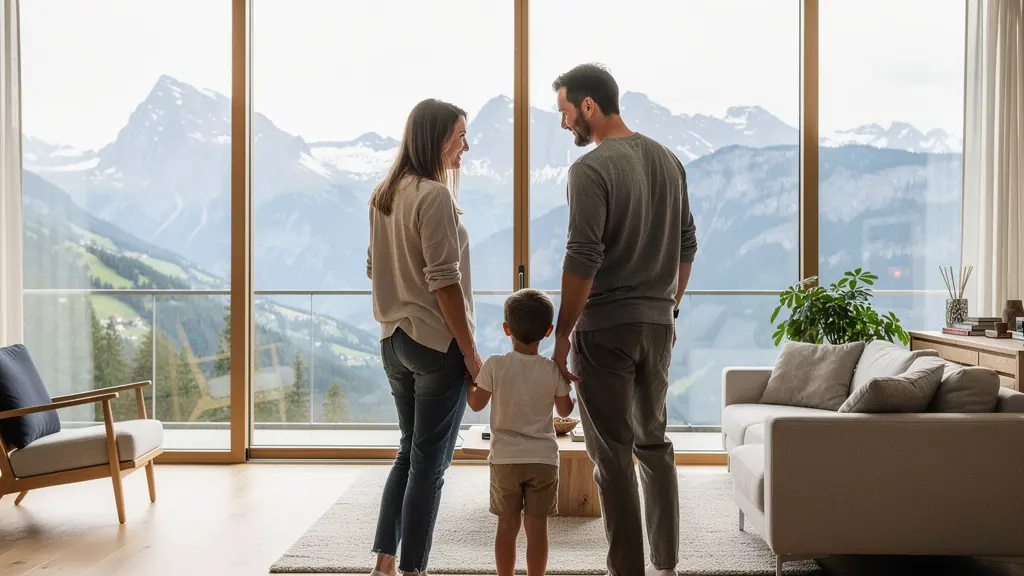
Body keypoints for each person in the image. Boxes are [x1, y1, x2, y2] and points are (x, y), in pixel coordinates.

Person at [548, 63, 698, 576]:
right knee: (653, 443)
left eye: (566, 112)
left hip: (605, 329)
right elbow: (687, 244)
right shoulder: (668, 160)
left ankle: (627, 570)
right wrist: (668, 306)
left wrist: (563, 333)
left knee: (612, 456)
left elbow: (582, 256)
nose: (565, 124)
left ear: (589, 106)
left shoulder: (590, 170)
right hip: (658, 325)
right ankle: (667, 561)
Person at [366, 98, 483, 576]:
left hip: (393, 341)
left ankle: (385, 563)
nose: (466, 146)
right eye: (460, 136)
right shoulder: (433, 196)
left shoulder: (384, 194)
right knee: (429, 465)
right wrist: (472, 353)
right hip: (436, 344)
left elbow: (373, 267)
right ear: (438, 139)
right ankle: (414, 569)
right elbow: (445, 282)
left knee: (408, 450)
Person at [466, 288, 575, 576]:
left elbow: (476, 404)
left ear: (506, 329)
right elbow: (565, 411)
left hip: (505, 460)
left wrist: (468, 384)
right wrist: (569, 385)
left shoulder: (494, 365)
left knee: (507, 525)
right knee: (537, 527)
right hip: (543, 460)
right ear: (549, 331)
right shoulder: (552, 370)